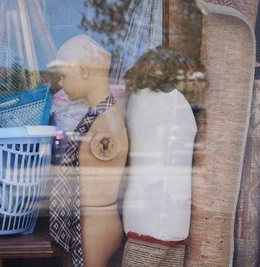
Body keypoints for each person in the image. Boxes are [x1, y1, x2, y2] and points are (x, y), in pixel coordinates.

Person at [48, 34, 128, 267]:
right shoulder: (97, 117)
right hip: (91, 220)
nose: (61, 83)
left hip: (96, 225)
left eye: (63, 75)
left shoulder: (105, 124)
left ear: (83, 71)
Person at [122, 46, 198, 267]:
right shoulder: (174, 101)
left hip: (142, 207)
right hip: (166, 207)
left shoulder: (136, 99)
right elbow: (184, 145)